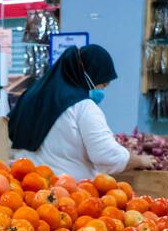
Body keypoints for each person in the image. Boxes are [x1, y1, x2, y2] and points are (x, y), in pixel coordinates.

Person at [8, 44, 151, 180]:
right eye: (102, 84)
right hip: (68, 193)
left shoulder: (29, 98)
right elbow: (106, 155)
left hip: (26, 187)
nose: (102, 91)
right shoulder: (83, 107)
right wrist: (140, 161)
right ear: (89, 76)